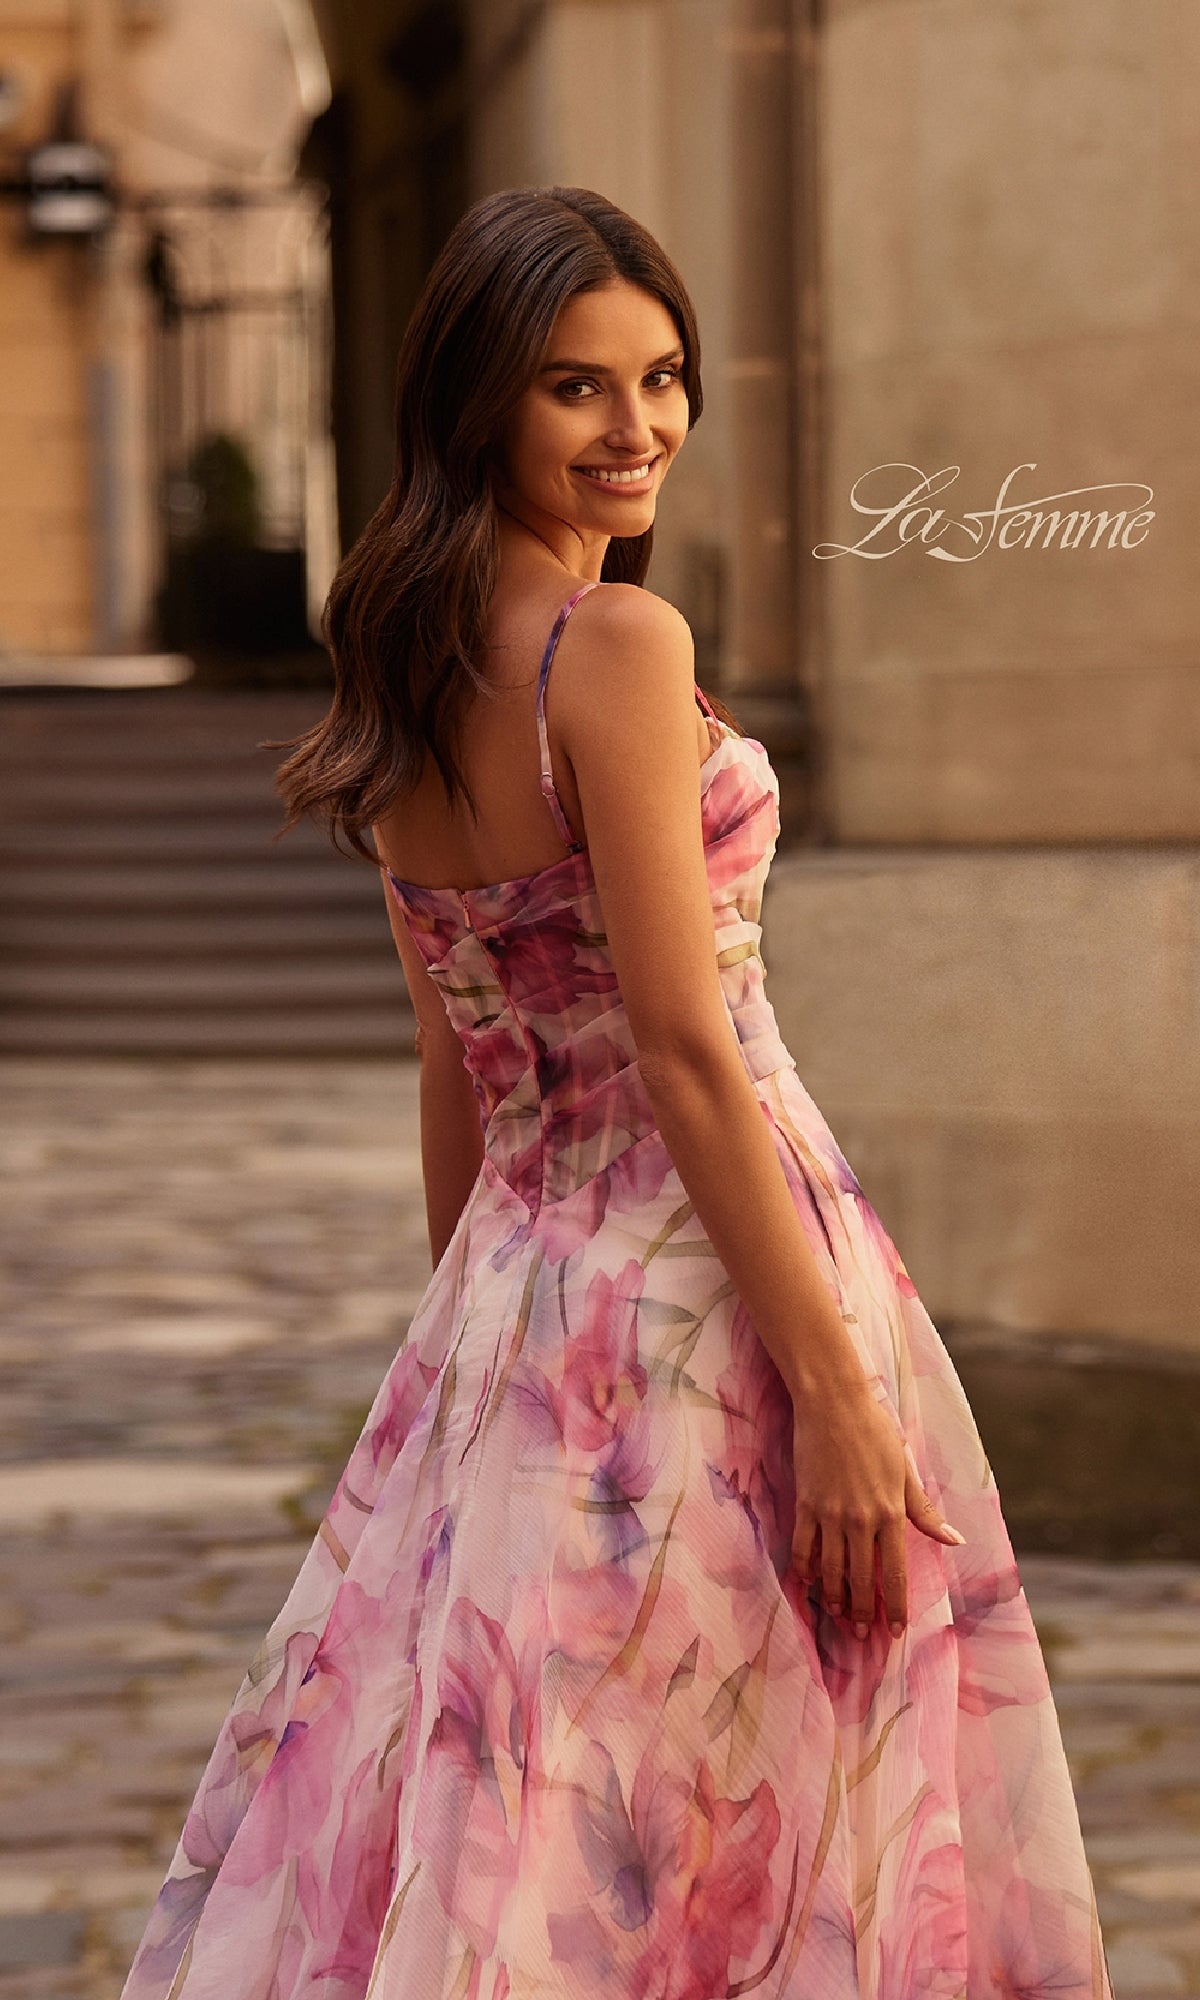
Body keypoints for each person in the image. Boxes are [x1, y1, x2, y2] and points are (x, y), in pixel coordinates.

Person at [120, 186, 1114, 2000]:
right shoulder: (615, 649)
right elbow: (683, 1046)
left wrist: (463, 1375)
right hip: (705, 1301)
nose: (638, 426)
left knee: (547, 1817)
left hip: (524, 1308)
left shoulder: (406, 659)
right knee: (746, 1822)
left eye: (663, 378)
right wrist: (829, 1381)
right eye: (579, 387)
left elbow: (458, 1061)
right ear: (483, 400)